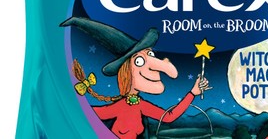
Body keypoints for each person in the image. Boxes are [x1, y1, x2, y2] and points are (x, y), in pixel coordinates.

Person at [61, 17, 211, 138]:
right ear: (126, 72)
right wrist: (71, 97)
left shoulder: (140, 104)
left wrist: (192, 93)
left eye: (150, 54)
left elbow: (168, 117)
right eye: (139, 61)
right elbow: (87, 113)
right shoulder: (120, 106)